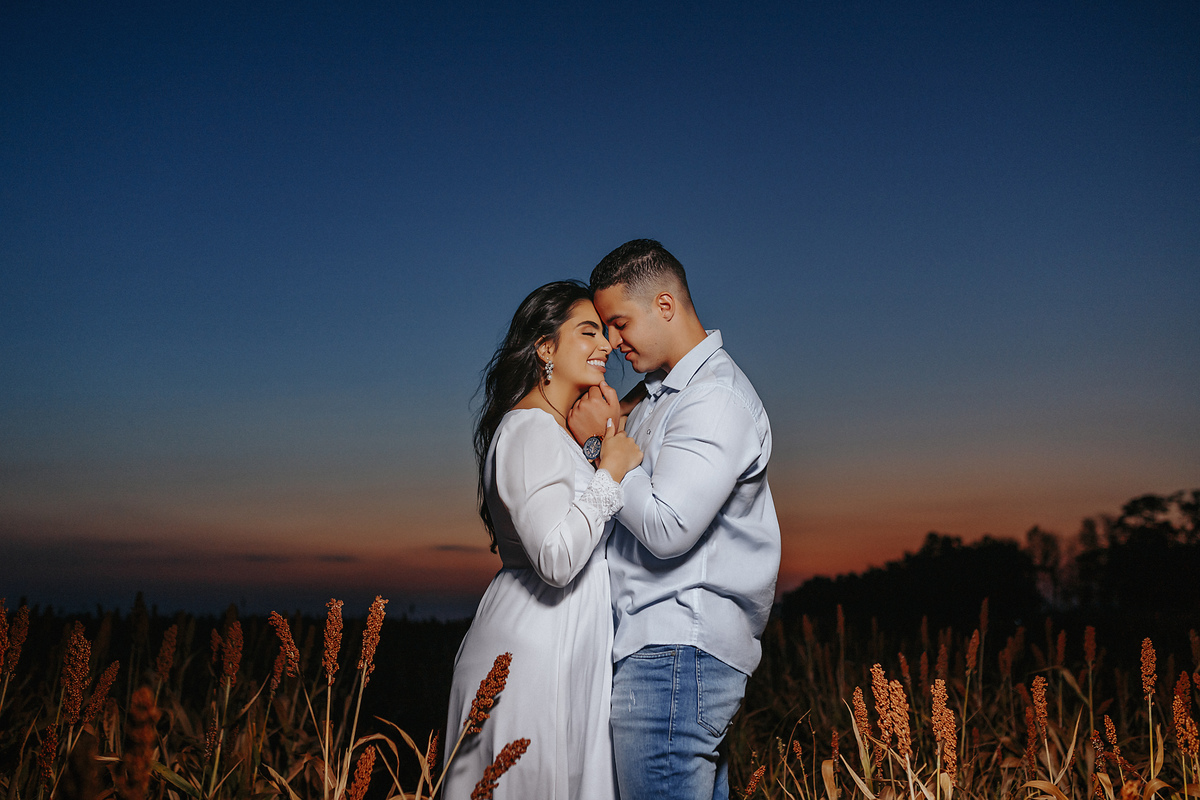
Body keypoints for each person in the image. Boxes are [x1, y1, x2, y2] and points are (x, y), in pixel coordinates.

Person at [568, 240, 781, 800]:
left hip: (675, 651)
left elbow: (667, 527)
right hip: (667, 652)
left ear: (665, 306)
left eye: (619, 323)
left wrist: (600, 443)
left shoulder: (714, 398)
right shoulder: (663, 395)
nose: (612, 342)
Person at [442, 280, 642, 800]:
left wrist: (594, 448)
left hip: (563, 643)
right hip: (533, 652)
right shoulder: (528, 428)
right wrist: (611, 472)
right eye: (588, 331)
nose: (606, 346)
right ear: (545, 348)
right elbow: (555, 557)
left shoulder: (552, 432)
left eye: (606, 332)